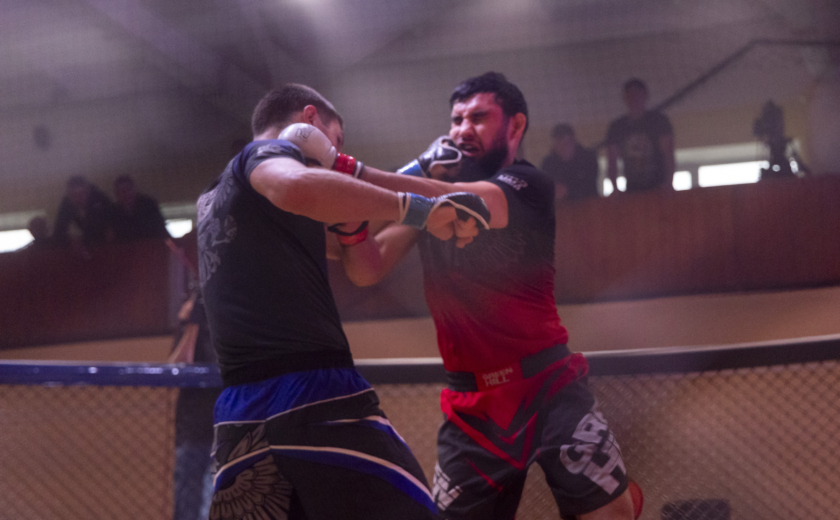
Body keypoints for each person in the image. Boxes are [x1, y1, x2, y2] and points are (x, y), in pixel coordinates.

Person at [335, 72, 639, 519]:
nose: (462, 130)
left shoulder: (527, 183)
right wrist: (354, 216)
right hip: (472, 408)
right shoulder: (427, 197)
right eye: (456, 120)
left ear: (515, 125)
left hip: (547, 385)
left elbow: (465, 201)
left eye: (478, 118)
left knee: (612, 516)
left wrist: (356, 176)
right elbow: (366, 268)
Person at [198, 83, 490, 520]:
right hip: (313, 391)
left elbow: (364, 263)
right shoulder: (266, 157)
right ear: (309, 121)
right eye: (336, 141)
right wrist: (420, 209)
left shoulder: (220, 197)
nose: (338, 158)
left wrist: (425, 182)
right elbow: (298, 185)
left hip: (240, 412)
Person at [605, 78, 675, 194]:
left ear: (645, 95)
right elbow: (612, 161)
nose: (634, 98)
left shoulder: (659, 121)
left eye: (637, 94)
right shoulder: (617, 127)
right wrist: (615, 188)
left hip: (659, 188)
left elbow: (668, 154)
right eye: (630, 95)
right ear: (625, 98)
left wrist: (668, 183)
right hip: (633, 191)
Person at [541, 124, 600, 201]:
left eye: (566, 143)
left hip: (589, 204)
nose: (563, 148)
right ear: (554, 145)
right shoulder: (548, 164)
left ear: (574, 141)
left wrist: (568, 190)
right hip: (560, 206)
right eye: (559, 144)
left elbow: (590, 186)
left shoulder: (588, 159)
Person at [53, 175, 115, 246]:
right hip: (87, 241)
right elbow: (58, 231)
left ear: (89, 191)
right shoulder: (66, 204)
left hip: (109, 241)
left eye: (83, 193)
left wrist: (111, 228)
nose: (79, 198)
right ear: (68, 195)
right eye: (74, 195)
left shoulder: (100, 199)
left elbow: (114, 219)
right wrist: (69, 240)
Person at [112, 175, 171, 241]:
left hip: (152, 244)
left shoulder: (148, 205)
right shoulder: (114, 212)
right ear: (117, 194)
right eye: (123, 191)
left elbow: (160, 229)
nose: (126, 194)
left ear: (134, 190)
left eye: (128, 189)